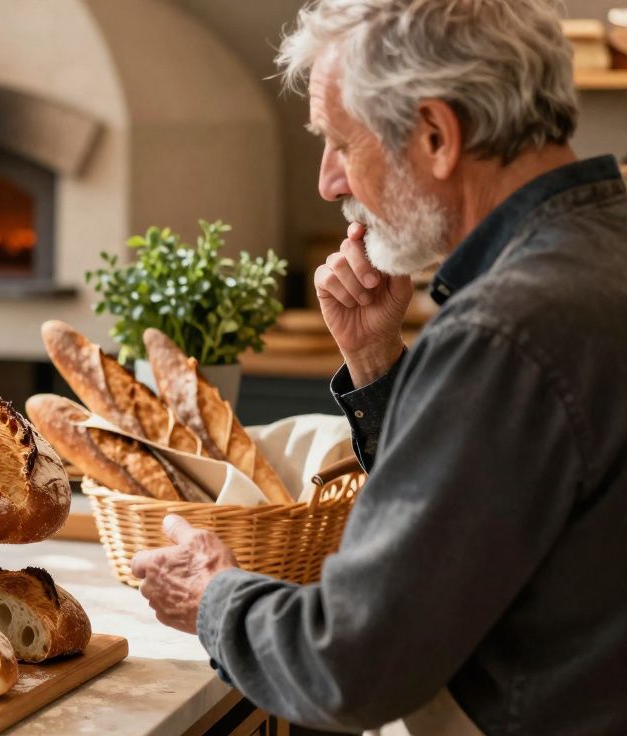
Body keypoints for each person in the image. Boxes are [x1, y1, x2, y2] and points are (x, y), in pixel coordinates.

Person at [130, 0, 627, 733]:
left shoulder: (507, 329)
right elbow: (490, 511)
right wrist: (375, 363)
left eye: (338, 141)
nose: (331, 182)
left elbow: (348, 666)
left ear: (435, 135)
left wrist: (211, 595)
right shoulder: (599, 254)